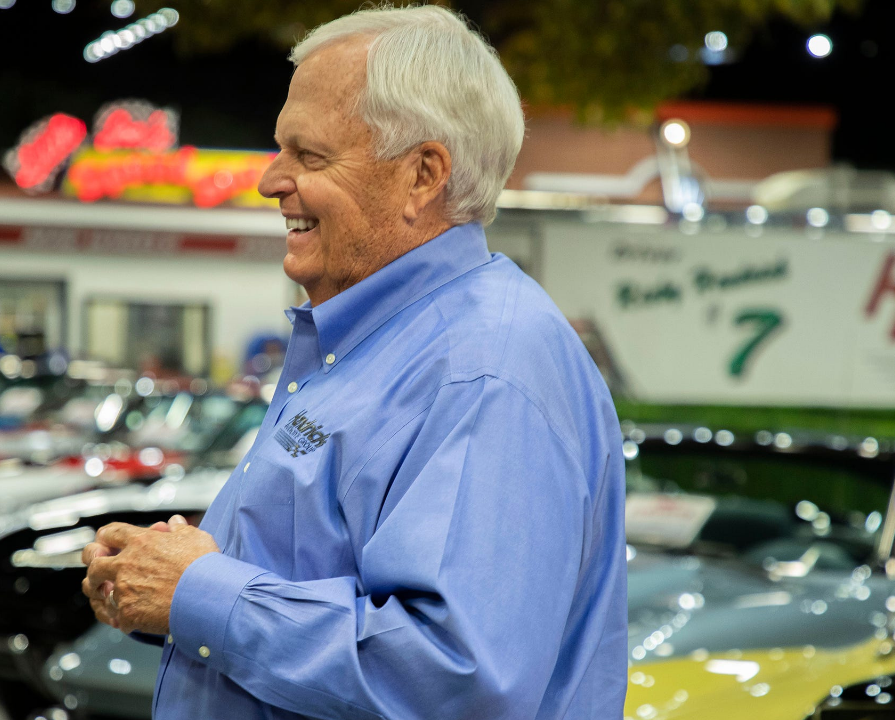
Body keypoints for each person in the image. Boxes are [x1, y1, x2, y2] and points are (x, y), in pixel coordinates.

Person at [81, 6, 627, 719]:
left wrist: (201, 594)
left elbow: (453, 681)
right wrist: (176, 583)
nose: (271, 181)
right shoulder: (376, 339)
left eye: (309, 156)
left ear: (423, 175)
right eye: (281, 150)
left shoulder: (483, 370)